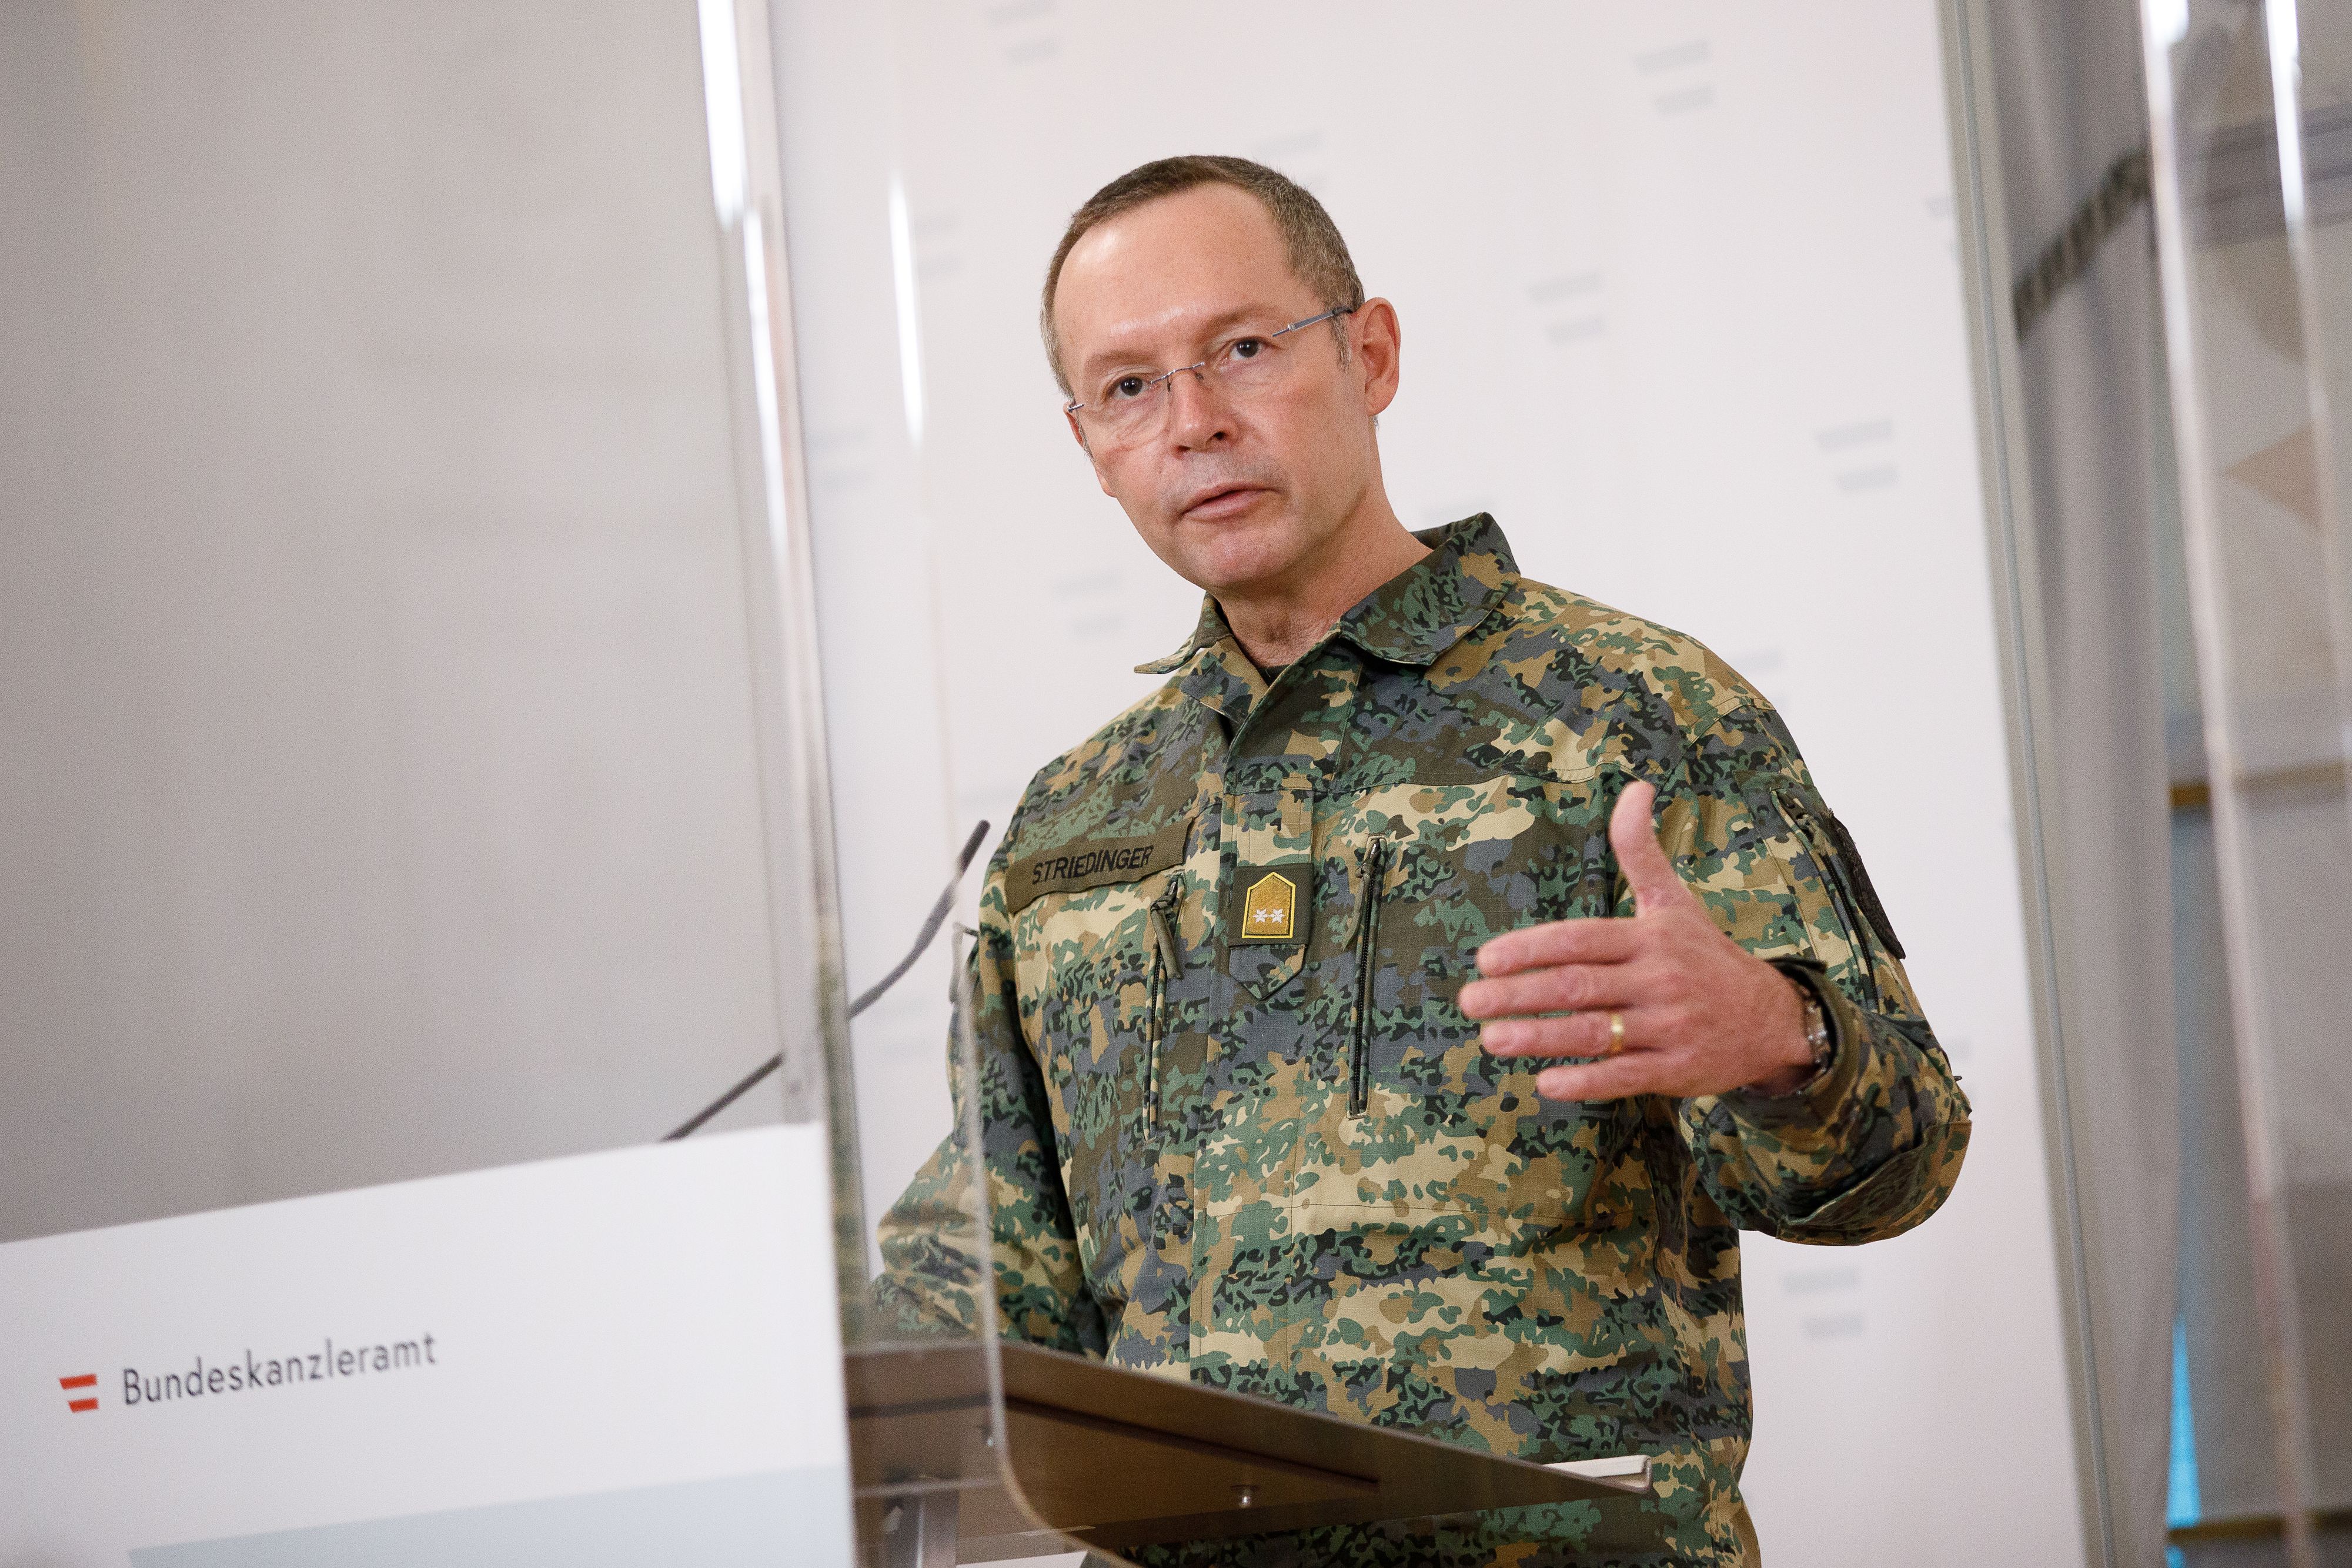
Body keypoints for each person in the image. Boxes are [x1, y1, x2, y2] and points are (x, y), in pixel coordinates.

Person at [874, 155, 1970, 1567]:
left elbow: (1903, 1157)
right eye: (1129, 387)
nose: (1193, 423)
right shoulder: (1071, 821)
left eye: (1242, 349)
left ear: (1369, 351)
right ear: (1088, 443)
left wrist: (1781, 1037)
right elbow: (983, 1272)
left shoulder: (1632, 712)